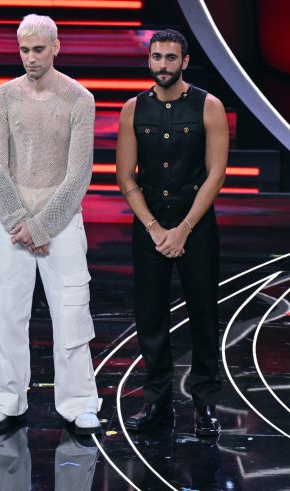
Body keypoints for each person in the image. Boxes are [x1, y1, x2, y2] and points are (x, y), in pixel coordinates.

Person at [0, 14, 101, 434]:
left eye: (38, 49)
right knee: (5, 313)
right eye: (24, 50)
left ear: (56, 47)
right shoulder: (2, 96)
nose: (30, 57)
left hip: (61, 223)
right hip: (12, 224)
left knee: (71, 313)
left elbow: (79, 173)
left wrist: (43, 226)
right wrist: (20, 222)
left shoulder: (79, 99)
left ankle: (79, 403)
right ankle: (6, 399)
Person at [116, 29, 228, 436]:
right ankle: (157, 402)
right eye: (156, 57)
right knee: (150, 316)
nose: (162, 65)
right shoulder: (133, 109)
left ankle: (205, 404)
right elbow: (125, 177)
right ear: (149, 60)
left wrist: (183, 229)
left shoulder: (208, 106)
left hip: (196, 227)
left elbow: (216, 175)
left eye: (170, 57)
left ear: (185, 61)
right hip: (150, 228)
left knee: (204, 315)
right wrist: (154, 227)